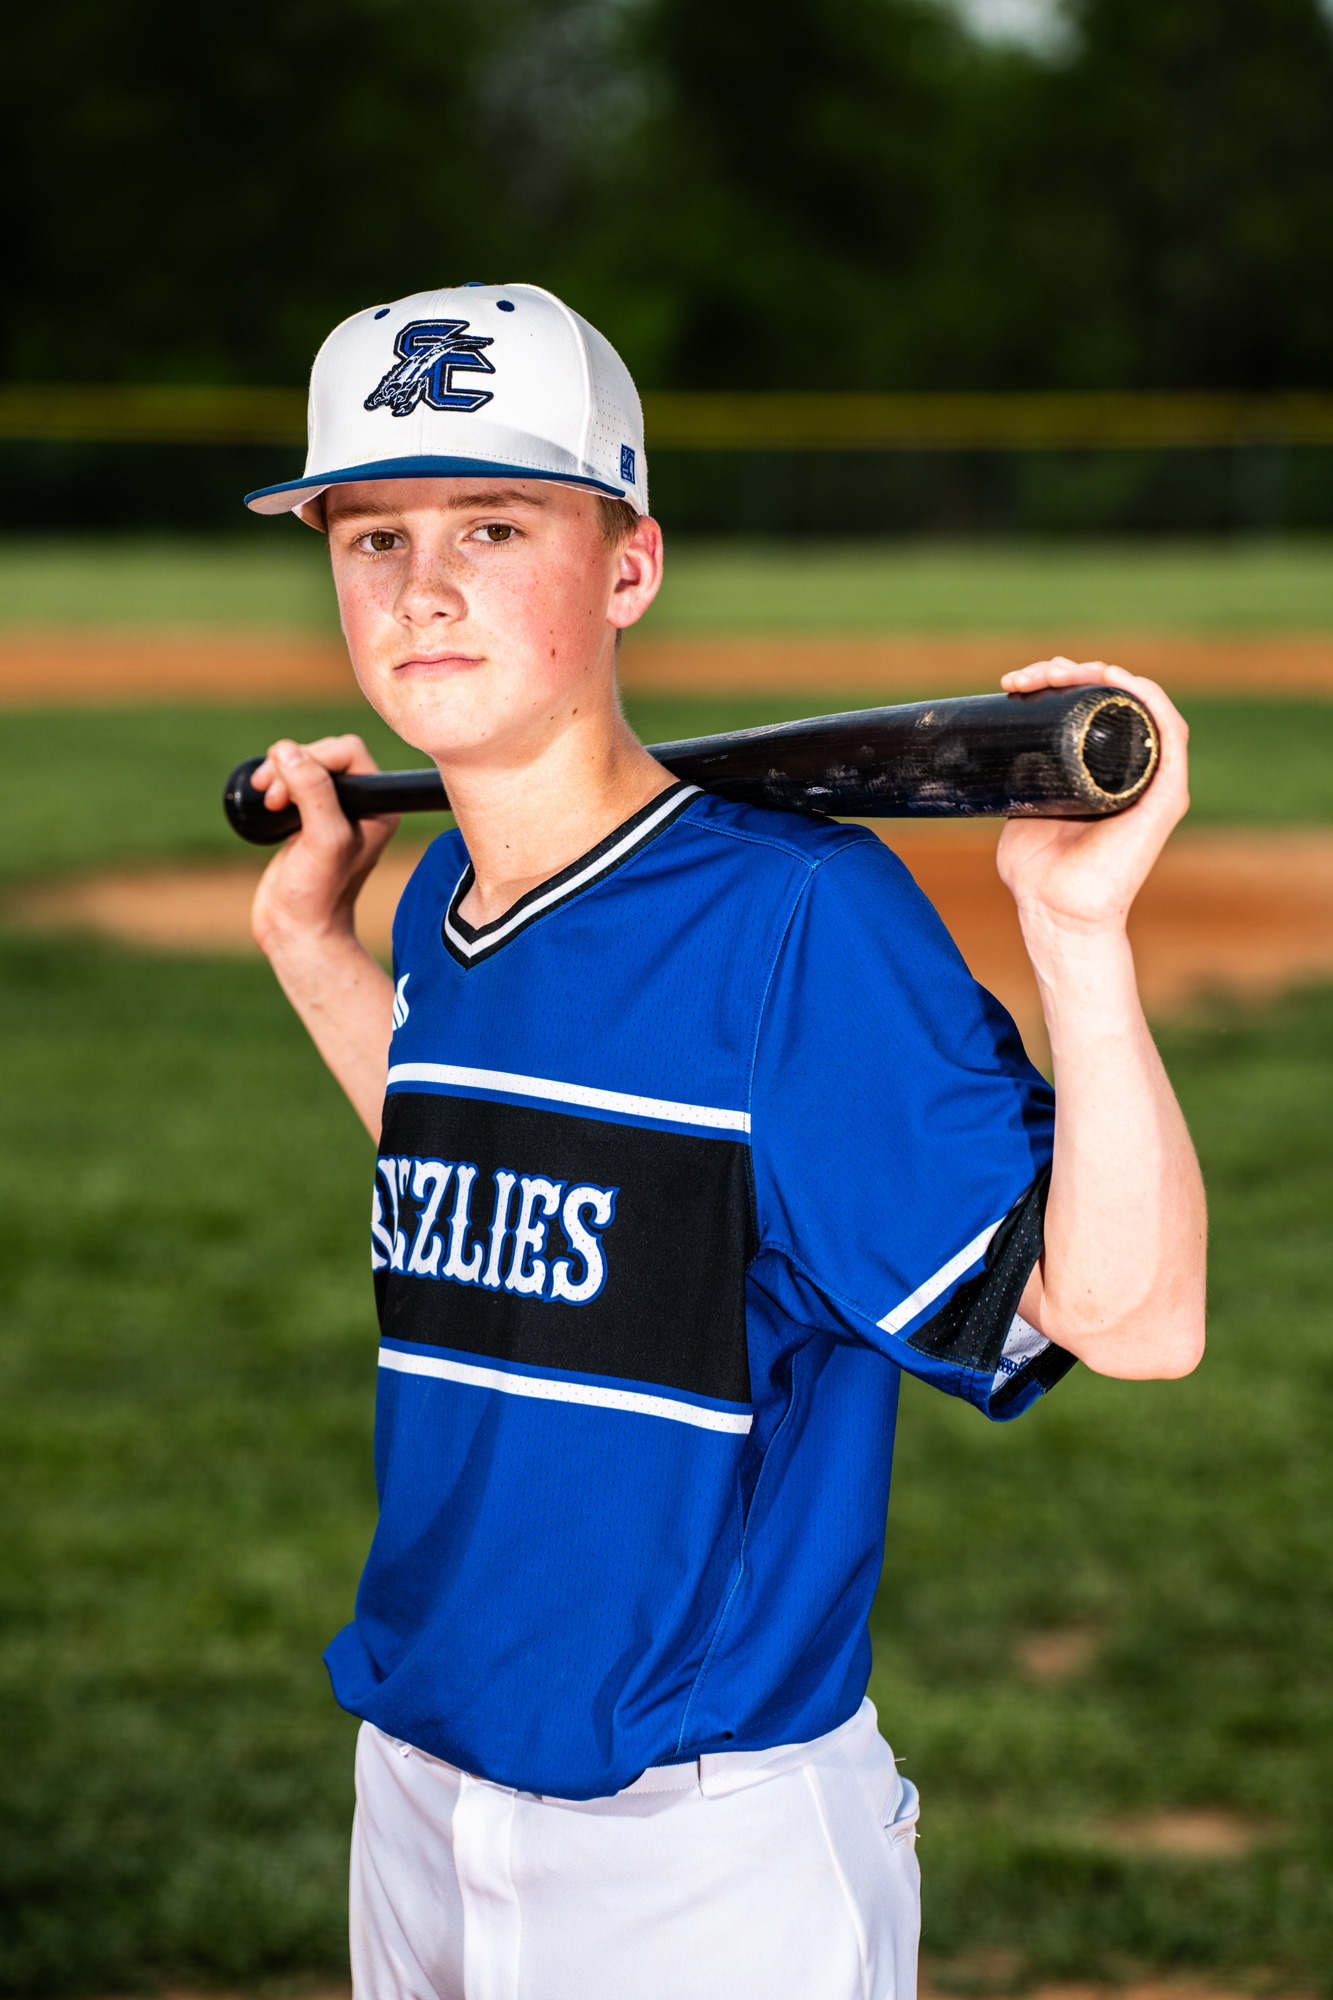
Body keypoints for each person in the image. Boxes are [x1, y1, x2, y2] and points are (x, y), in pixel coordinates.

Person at [242, 283, 1206, 2000]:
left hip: (691, 1847)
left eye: (492, 525)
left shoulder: (795, 919)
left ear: (628, 568)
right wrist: (319, 950)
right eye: (373, 535)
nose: (422, 587)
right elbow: (512, 1179)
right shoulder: (455, 887)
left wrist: (1075, 937)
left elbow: (1127, 1323)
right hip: (413, 1776)